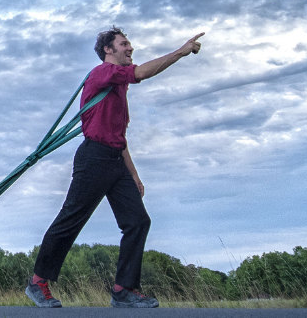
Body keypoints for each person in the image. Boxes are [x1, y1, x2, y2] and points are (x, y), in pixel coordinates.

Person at [25, 26, 204, 308]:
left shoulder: (118, 87)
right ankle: (38, 282)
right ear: (109, 50)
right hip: (94, 158)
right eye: (124, 44)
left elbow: (119, 138)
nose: (130, 49)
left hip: (115, 159)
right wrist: (180, 52)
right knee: (71, 219)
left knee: (137, 221)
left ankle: (123, 290)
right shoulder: (103, 73)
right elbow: (142, 73)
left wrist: (134, 175)